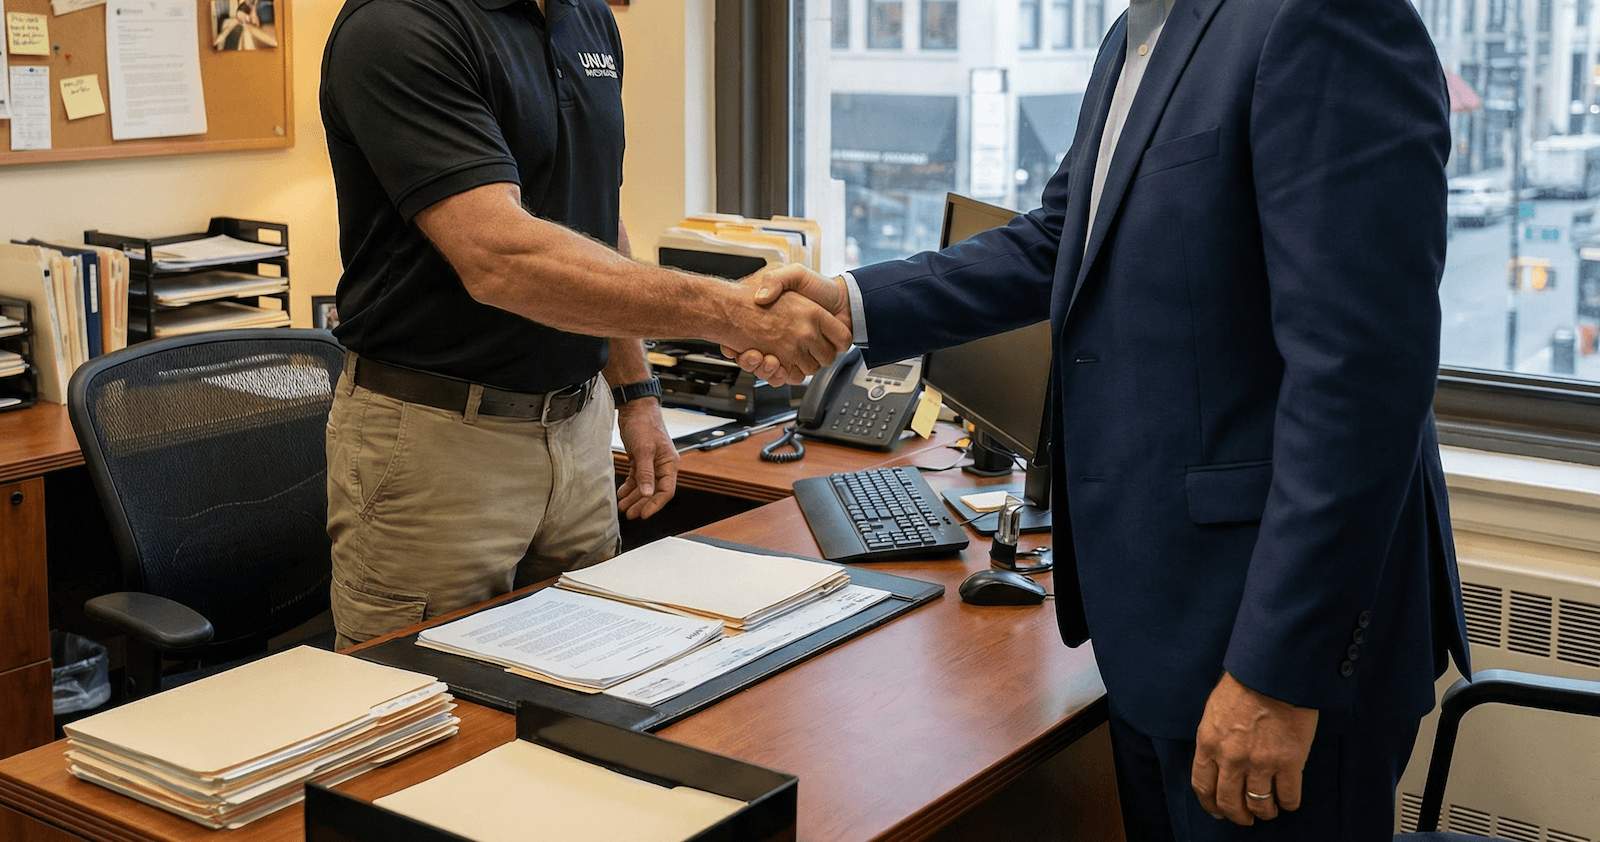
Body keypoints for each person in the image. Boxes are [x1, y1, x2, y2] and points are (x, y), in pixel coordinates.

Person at [736, 0, 1471, 836]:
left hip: (1265, 645)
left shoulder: (1322, 18)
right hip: (1157, 627)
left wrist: (1278, 675)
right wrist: (850, 304)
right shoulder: (1137, 34)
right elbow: (1059, 240)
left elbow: (1362, 382)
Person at [319, 0, 849, 649]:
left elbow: (596, 223)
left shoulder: (588, 19)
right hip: (438, 445)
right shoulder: (398, 26)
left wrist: (637, 393)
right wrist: (733, 312)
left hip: (579, 432)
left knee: (598, 676)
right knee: (423, 693)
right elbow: (501, 258)